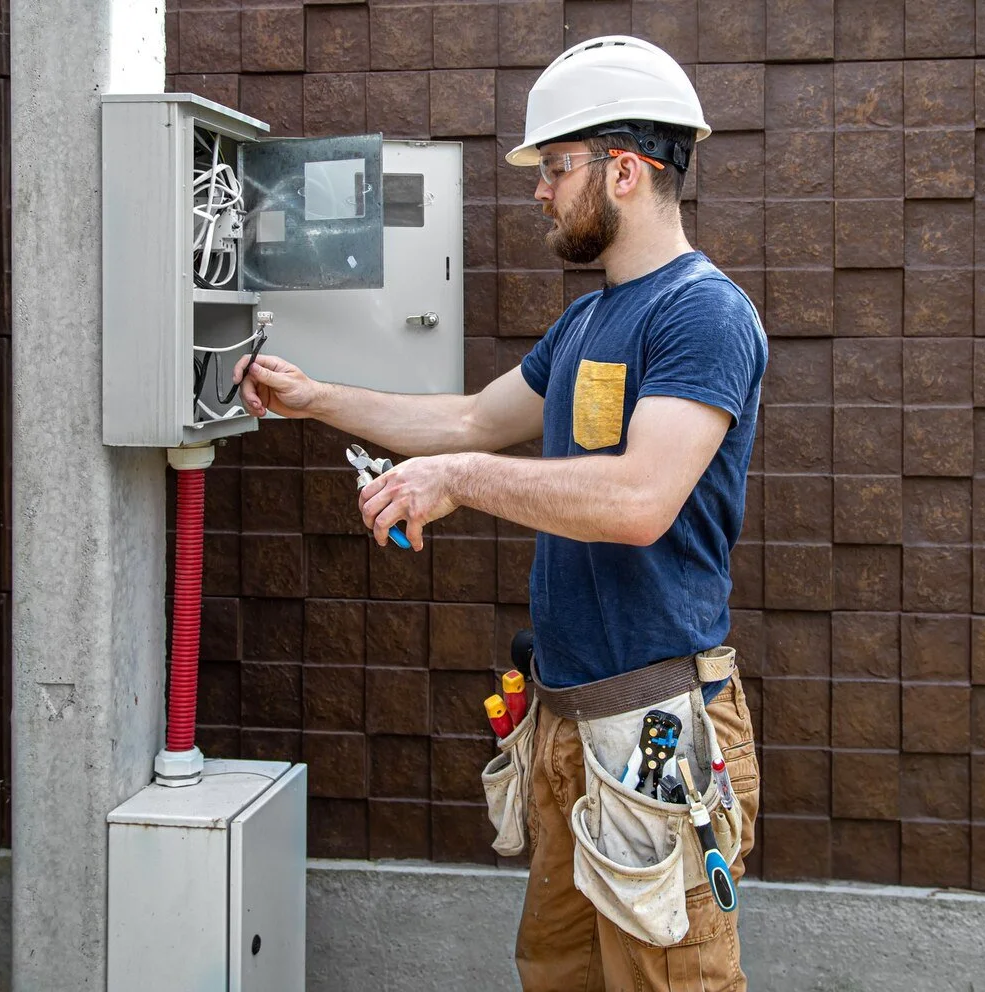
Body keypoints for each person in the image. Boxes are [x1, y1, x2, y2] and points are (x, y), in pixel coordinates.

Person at [235, 35, 767, 991]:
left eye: (555, 168)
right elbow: (473, 418)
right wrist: (315, 398)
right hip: (566, 726)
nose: (539, 191)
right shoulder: (588, 318)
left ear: (626, 170)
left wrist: (464, 480)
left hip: (655, 728)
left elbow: (642, 499)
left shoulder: (702, 314)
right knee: (558, 976)